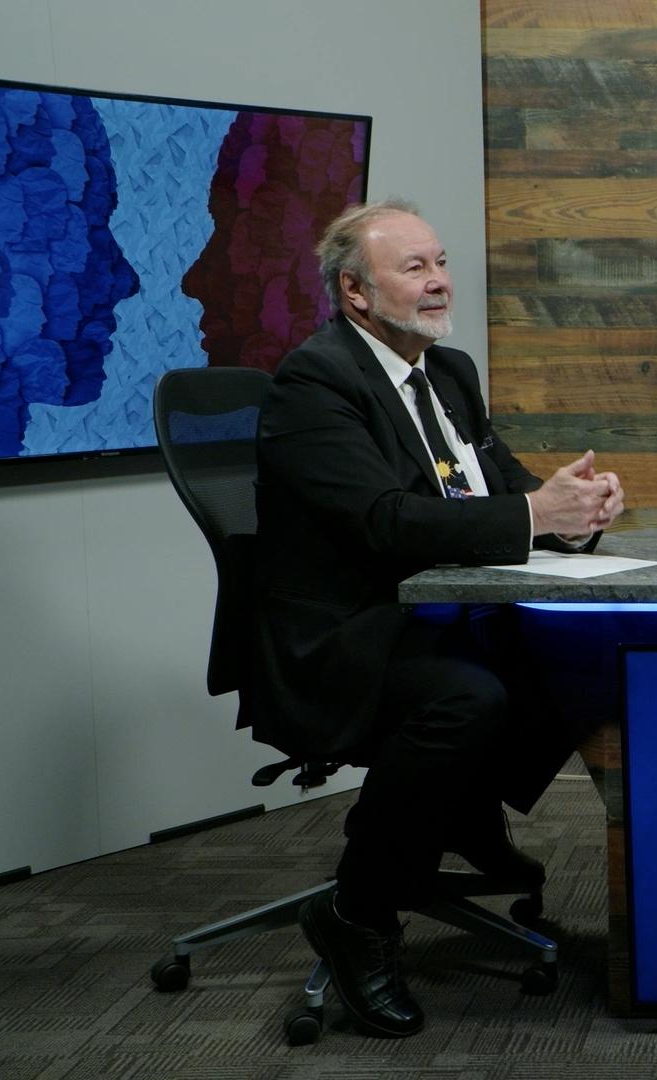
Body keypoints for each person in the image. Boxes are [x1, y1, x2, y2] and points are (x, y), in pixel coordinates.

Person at [250, 200, 626, 1036]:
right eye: (414, 267)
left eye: (441, 262)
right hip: (343, 636)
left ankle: (459, 810)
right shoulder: (315, 384)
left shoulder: (448, 373)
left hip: (434, 615)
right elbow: (385, 522)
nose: (439, 281)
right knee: (464, 700)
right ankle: (359, 914)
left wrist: (579, 510)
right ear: (354, 290)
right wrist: (536, 513)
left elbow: (504, 493)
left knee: (583, 651)